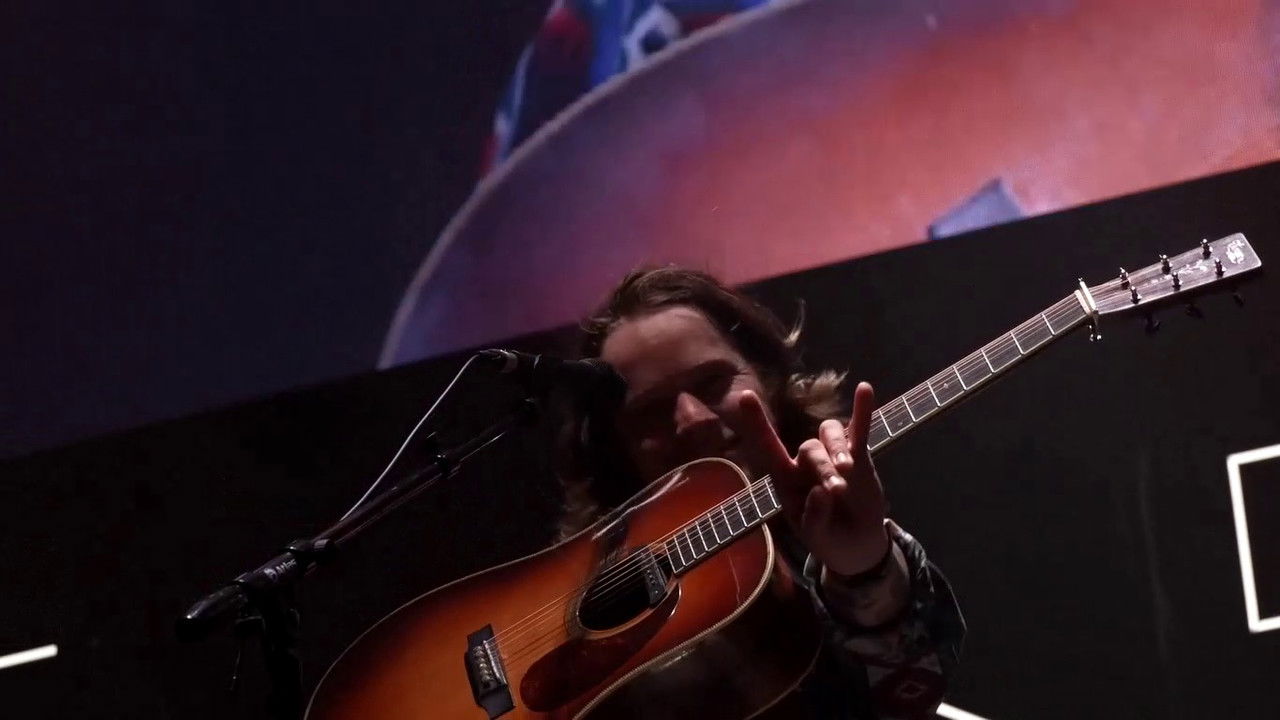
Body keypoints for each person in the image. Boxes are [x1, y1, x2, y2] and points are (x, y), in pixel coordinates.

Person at [553, 266, 965, 719]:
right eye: (650, 413)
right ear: (615, 451)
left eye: (712, 383)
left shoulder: (828, 519)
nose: (693, 420)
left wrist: (864, 569)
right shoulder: (580, 581)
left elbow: (910, 698)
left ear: (766, 378)